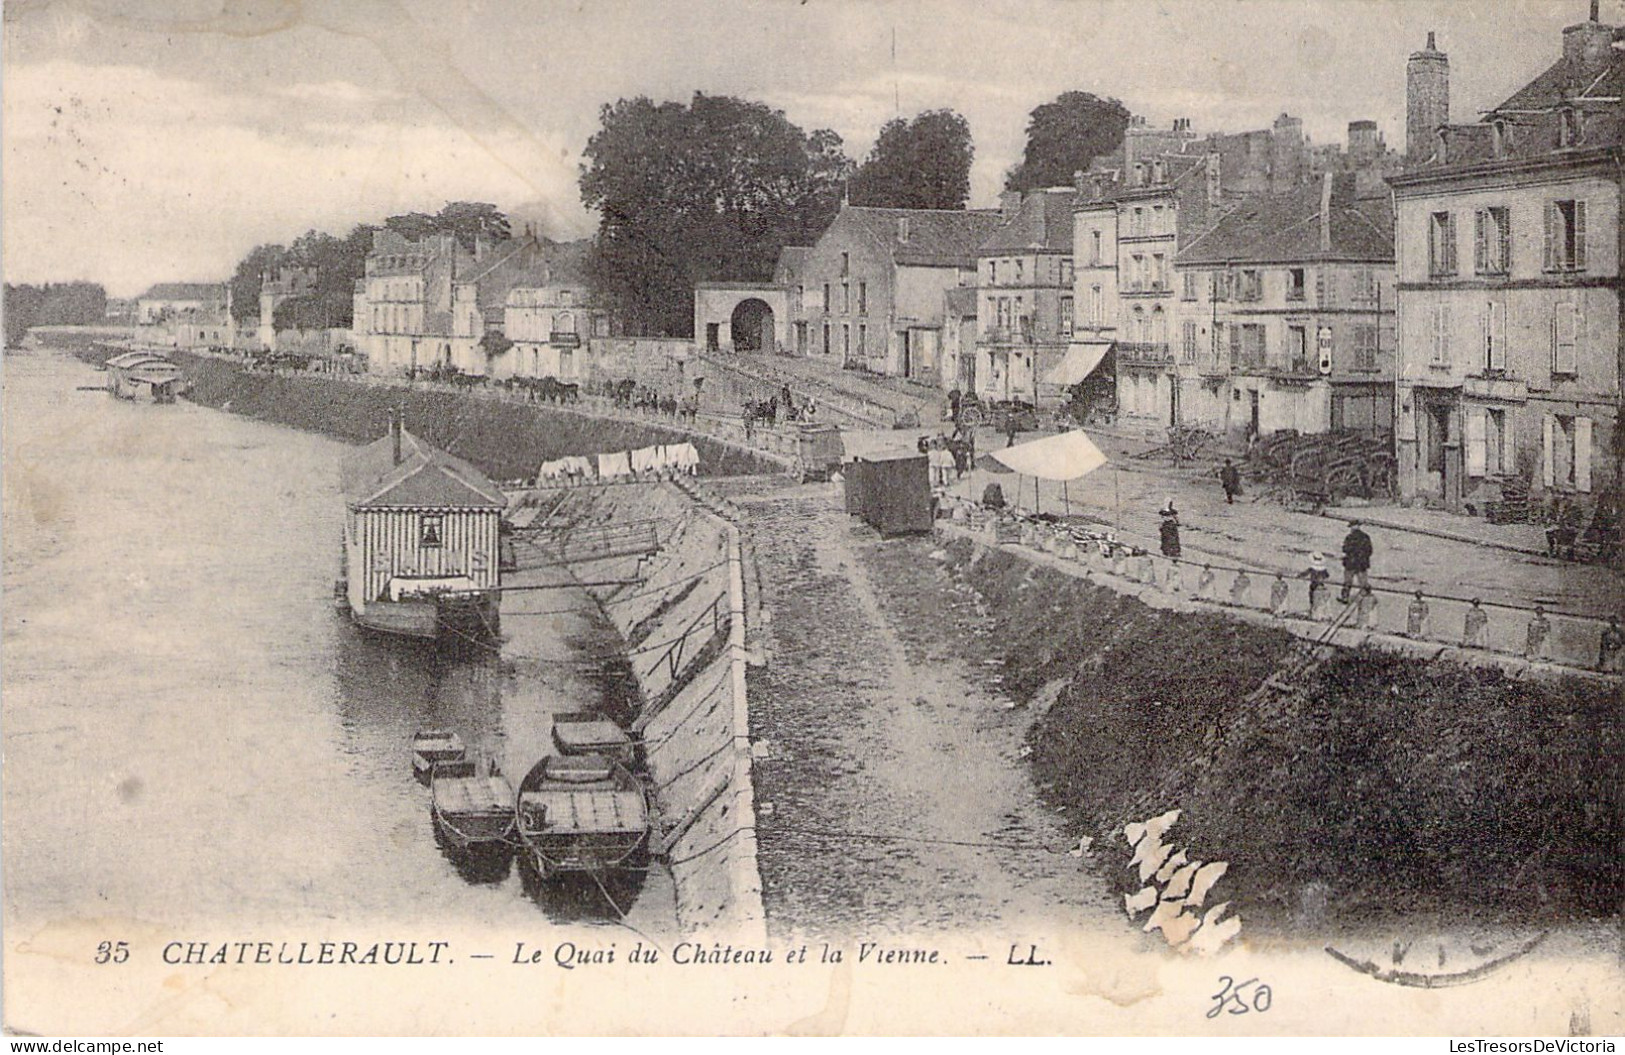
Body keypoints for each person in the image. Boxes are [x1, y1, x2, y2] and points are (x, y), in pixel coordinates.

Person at [1339, 521, 1373, 603]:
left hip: (1350, 563)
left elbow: (1345, 549)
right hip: (1362, 563)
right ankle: (1366, 597)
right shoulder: (1366, 537)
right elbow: (1370, 551)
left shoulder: (1349, 537)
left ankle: (1345, 597)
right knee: (1363, 581)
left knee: (1347, 581)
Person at [1302, 552, 1330, 619]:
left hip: (1313, 585)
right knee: (1321, 601)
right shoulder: (1323, 569)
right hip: (1321, 585)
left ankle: (1313, 613)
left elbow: (1304, 574)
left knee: (1312, 599)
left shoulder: (1312, 568)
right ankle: (1319, 614)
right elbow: (1327, 576)